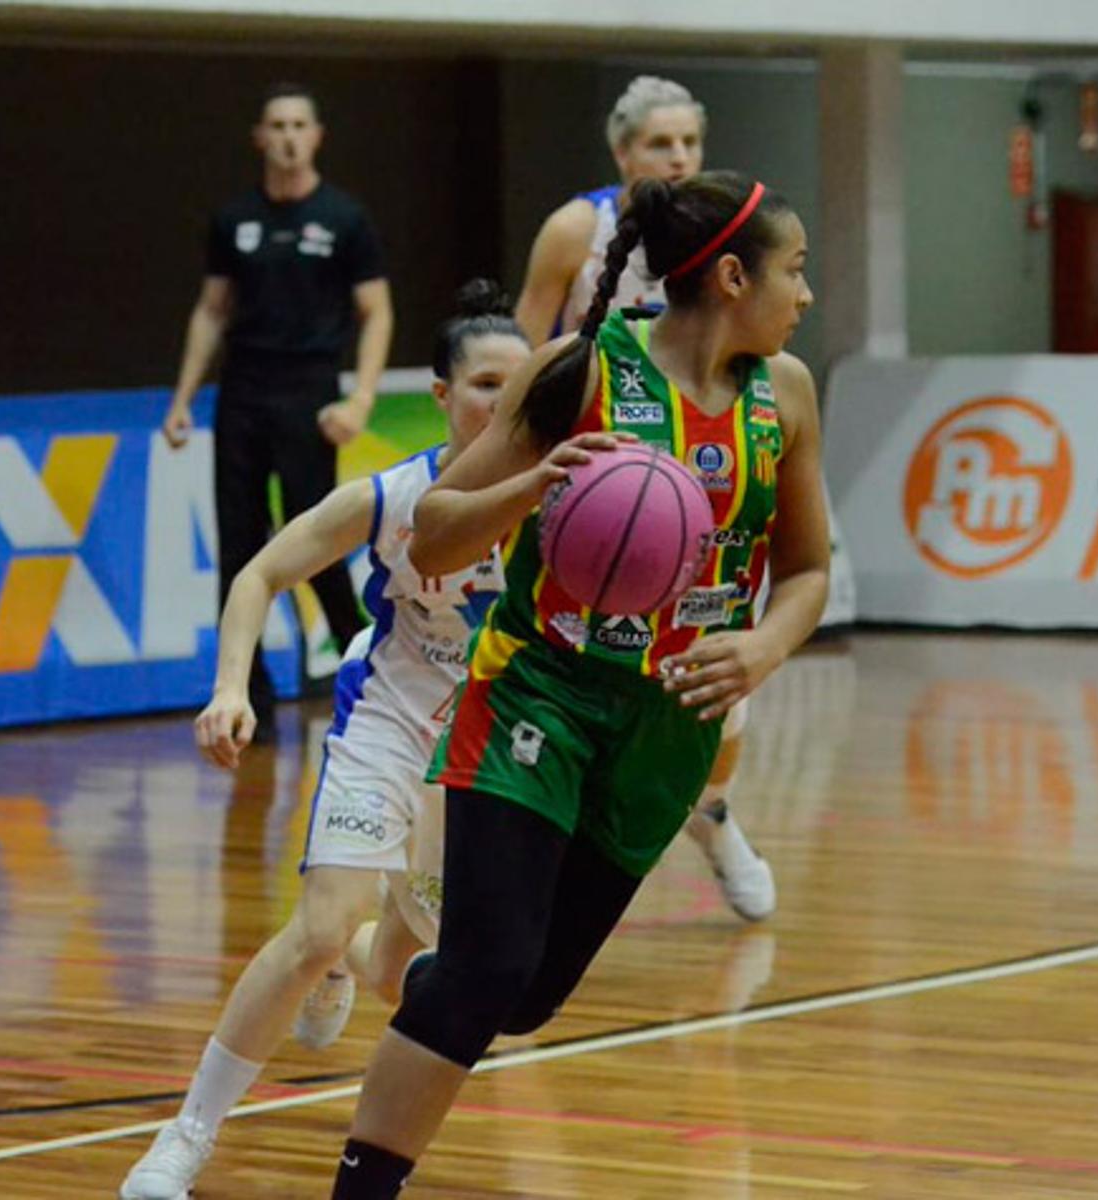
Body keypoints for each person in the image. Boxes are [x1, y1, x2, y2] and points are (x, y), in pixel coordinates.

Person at [330, 171, 829, 1198]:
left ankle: (440, 968)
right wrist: (532, 485)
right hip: (539, 693)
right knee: (483, 981)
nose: (806, 295)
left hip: (666, 730)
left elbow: (810, 569)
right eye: (796, 271)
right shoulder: (581, 368)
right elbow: (430, 535)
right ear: (733, 276)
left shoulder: (789, 396)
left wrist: (766, 646)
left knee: (525, 999)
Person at [119, 283, 525, 1200]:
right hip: (387, 714)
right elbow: (262, 570)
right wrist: (230, 687)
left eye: (517, 385)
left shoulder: (563, 502)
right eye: (482, 385)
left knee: (399, 977)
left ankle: (351, 954)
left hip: (485, 752)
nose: (500, 405)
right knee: (315, 927)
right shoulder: (397, 496)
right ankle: (184, 1138)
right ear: (442, 395)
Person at [516, 73, 776, 922]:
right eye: (662, 144)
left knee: (716, 693)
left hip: (699, 493)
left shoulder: (718, 237)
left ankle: (711, 814)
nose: (679, 157)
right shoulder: (575, 229)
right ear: (622, 152)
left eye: (690, 143)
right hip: (594, 493)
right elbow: (524, 348)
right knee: (580, 671)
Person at [161, 82, 394, 718]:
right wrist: (183, 398)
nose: (289, 137)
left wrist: (361, 398)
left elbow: (376, 312)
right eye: (277, 126)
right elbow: (212, 310)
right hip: (242, 392)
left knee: (314, 540)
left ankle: (367, 672)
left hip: (309, 392)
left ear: (316, 137)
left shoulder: (344, 218)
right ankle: (243, 695)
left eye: (300, 125)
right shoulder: (234, 219)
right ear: (260, 138)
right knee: (237, 546)